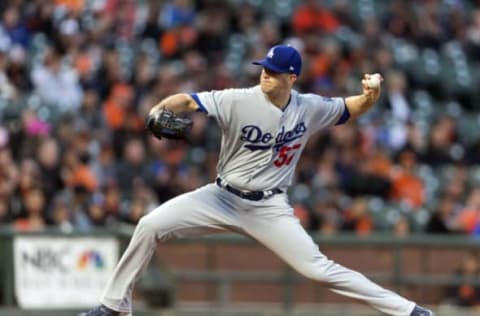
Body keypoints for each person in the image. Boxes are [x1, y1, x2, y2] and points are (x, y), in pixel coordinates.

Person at [79, 45, 434, 316]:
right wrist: (159, 110)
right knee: (149, 225)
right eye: (264, 69)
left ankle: (409, 311)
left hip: (268, 206)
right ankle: (112, 307)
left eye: (275, 72)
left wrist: (371, 96)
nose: (266, 75)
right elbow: (186, 101)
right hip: (220, 197)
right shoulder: (238, 100)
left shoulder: (308, 107)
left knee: (318, 270)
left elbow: (350, 108)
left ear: (291, 78)